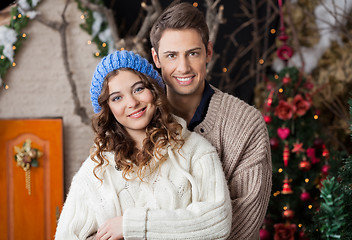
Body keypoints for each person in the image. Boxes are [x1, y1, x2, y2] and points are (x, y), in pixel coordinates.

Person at [54, 50, 232, 240]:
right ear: (108, 109)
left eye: (138, 89)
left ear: (153, 90)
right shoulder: (96, 170)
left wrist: (133, 225)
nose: (132, 102)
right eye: (117, 98)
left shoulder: (196, 150)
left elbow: (218, 222)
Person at [149, 2, 272, 239]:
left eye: (193, 53)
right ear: (156, 58)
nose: (183, 67)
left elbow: (245, 221)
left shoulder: (247, 123)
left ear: (209, 52)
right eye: (171, 56)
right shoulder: (139, 118)